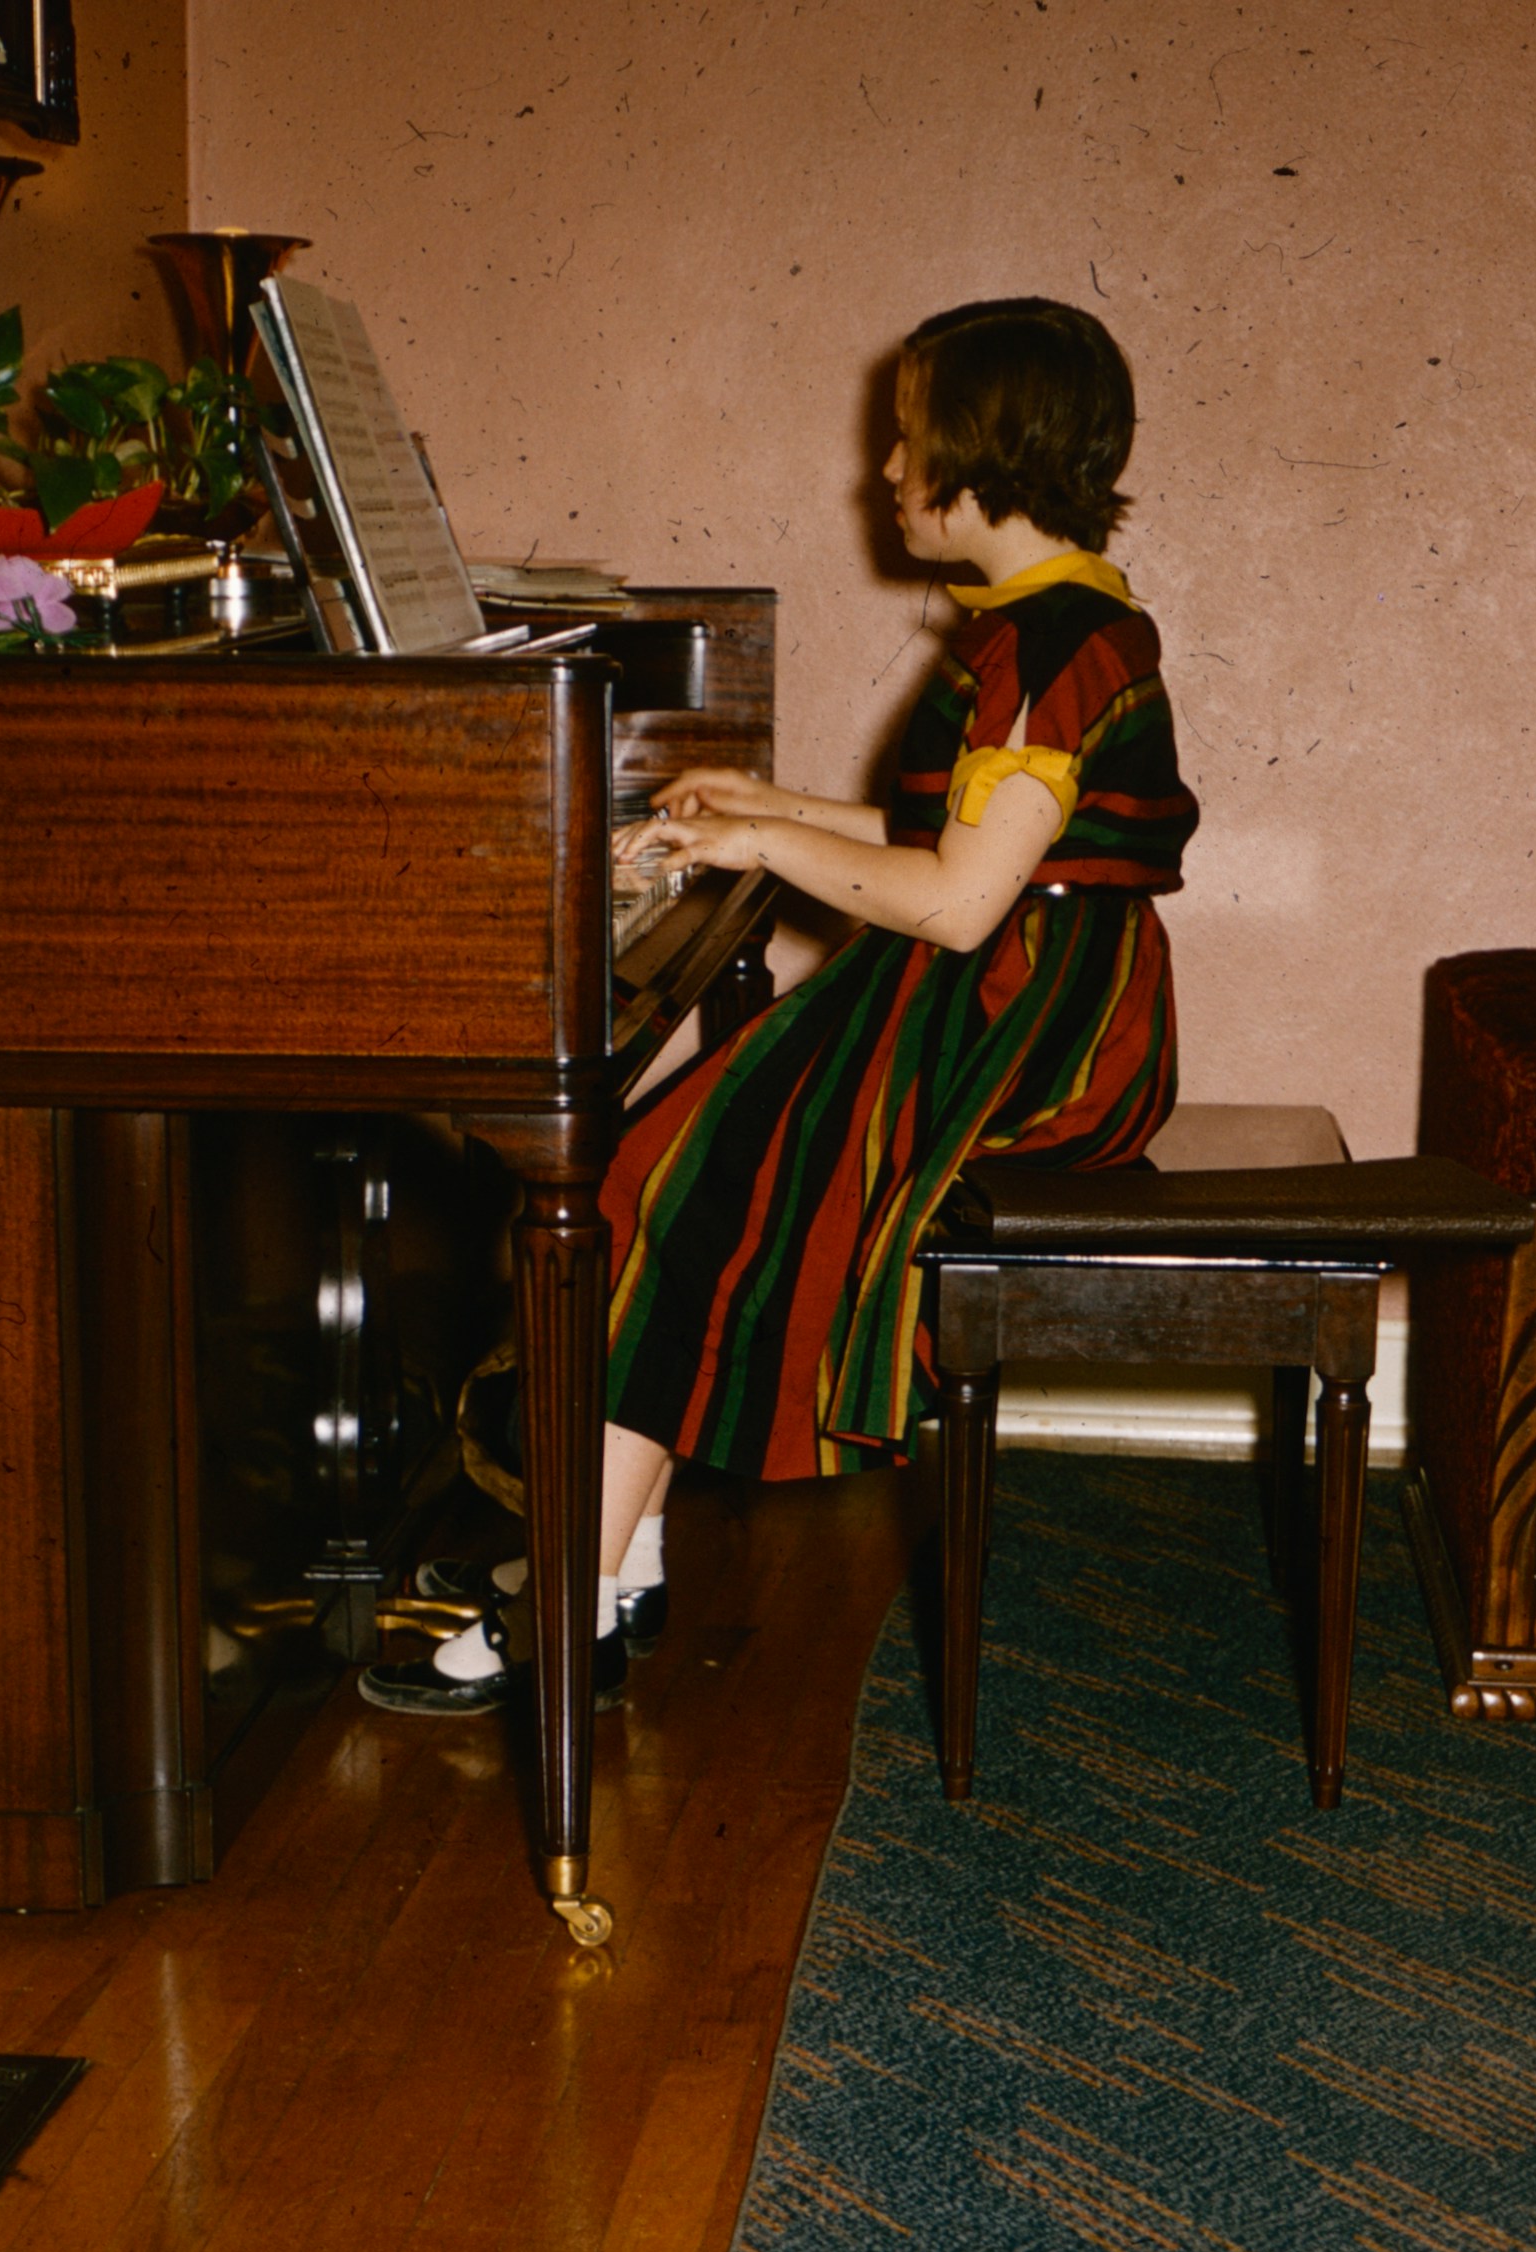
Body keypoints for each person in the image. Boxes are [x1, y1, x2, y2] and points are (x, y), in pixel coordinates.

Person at [360, 294, 1198, 1716]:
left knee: (675, 1169)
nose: (885, 469)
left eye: (907, 438)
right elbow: (974, 830)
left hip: (1025, 1029)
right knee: (669, 1157)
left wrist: (760, 846)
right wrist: (772, 804)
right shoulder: (1052, 623)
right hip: (1027, 997)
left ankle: (578, 1593)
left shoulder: (1049, 649)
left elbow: (953, 897)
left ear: (983, 449)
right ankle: (608, 1567)